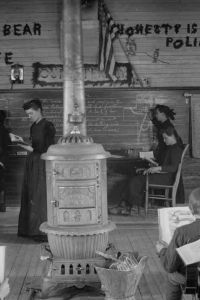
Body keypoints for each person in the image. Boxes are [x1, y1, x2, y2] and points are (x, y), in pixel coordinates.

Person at [18, 99, 56, 241]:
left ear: (39, 110)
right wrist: (23, 143)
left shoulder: (48, 126)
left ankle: (41, 232)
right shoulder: (33, 126)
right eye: (27, 114)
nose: (29, 117)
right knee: (31, 195)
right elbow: (34, 145)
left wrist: (31, 148)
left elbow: (48, 148)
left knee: (40, 197)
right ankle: (30, 230)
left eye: (31, 113)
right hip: (32, 163)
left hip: (43, 164)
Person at [156, 188, 200, 300]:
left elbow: (170, 266)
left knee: (172, 276)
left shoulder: (182, 232)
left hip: (192, 279)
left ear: (190, 209)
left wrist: (161, 250)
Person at [126, 126, 184, 211]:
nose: (164, 140)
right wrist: (154, 166)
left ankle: (134, 205)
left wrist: (157, 168)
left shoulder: (175, 149)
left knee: (136, 180)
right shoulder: (171, 148)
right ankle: (133, 204)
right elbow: (166, 164)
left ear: (172, 136)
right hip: (164, 176)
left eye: (165, 138)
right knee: (136, 178)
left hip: (166, 178)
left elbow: (174, 167)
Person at [0, 110, 11, 212]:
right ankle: (1, 205)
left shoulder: (3, 130)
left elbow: (4, 148)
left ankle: (2, 205)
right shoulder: (4, 130)